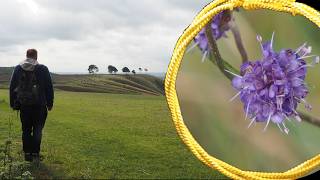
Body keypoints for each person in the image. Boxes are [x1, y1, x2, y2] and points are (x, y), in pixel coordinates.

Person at [9, 49, 54, 162]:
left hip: (24, 105)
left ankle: (27, 154)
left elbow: (12, 86)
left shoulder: (18, 68)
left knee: (26, 130)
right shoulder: (43, 68)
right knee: (38, 131)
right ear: (36, 56)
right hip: (40, 106)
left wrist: (13, 103)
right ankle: (35, 154)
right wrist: (50, 103)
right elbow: (49, 87)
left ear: (26, 56)